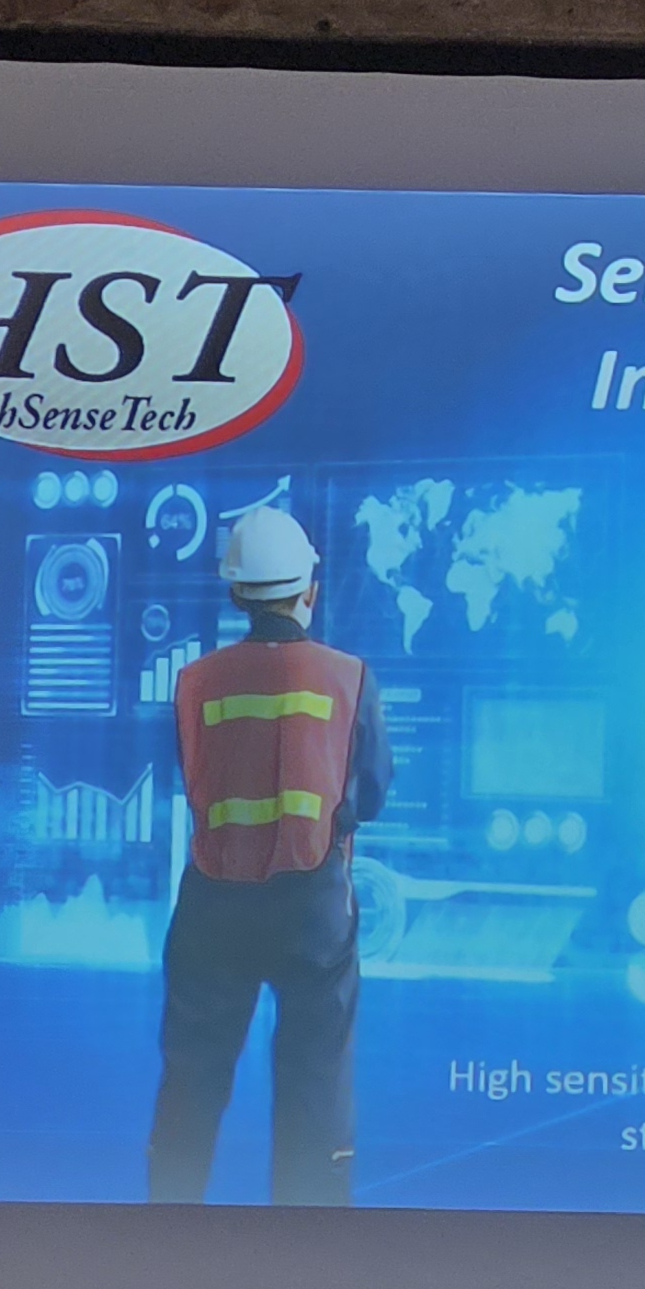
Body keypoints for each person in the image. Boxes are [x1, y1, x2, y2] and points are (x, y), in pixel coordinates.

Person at [152, 506, 390, 1205]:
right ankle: (308, 1238)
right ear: (309, 590)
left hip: (212, 904)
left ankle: (163, 1227)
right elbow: (373, 789)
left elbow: (189, 773)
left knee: (192, 1081)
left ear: (236, 593)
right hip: (312, 907)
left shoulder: (194, 682)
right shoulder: (350, 678)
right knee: (316, 1083)